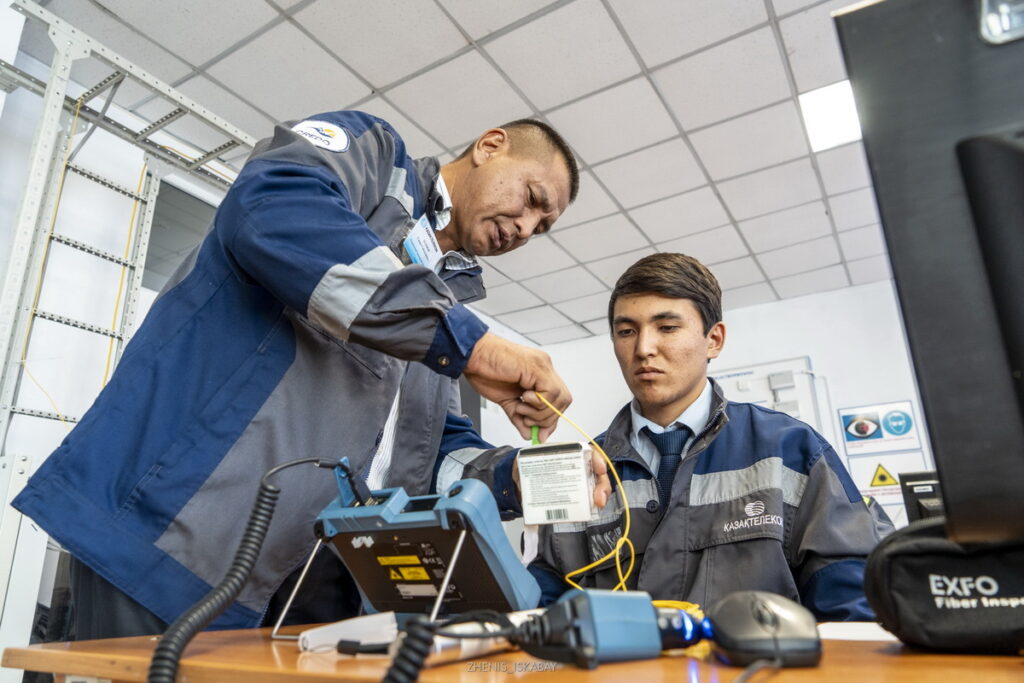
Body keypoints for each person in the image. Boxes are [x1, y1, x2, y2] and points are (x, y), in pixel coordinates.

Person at [12, 111, 581, 638]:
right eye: (532, 198)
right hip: (174, 534)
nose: (526, 226)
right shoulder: (375, 162)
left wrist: (516, 477)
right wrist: (468, 342)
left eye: (542, 226)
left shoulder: (445, 303)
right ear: (490, 146)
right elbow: (273, 206)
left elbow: (421, 451)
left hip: (309, 589)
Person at [448, 252, 890, 621]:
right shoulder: (583, 468)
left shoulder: (791, 450)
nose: (643, 348)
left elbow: (851, 601)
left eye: (667, 327)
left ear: (713, 340)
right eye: (626, 331)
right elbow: (546, 600)